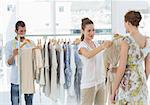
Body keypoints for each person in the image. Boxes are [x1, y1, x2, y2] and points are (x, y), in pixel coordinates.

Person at [111, 11, 150, 105]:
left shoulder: (127, 40)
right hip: (141, 82)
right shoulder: (147, 40)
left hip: (128, 83)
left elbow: (121, 68)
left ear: (128, 23)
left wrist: (114, 89)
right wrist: (142, 81)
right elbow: (148, 66)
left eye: (124, 23)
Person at [78, 17, 112, 105]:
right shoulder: (81, 46)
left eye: (93, 30)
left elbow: (104, 58)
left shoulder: (96, 44)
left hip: (100, 82)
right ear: (82, 31)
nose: (92, 33)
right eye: (89, 30)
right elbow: (89, 55)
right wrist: (102, 46)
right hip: (88, 84)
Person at [5, 21, 35, 105]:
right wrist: (13, 55)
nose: (23, 33)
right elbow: (8, 63)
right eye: (21, 31)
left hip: (28, 79)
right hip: (15, 80)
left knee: (29, 103)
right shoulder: (9, 44)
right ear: (16, 31)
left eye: (24, 31)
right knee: (15, 103)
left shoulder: (31, 43)